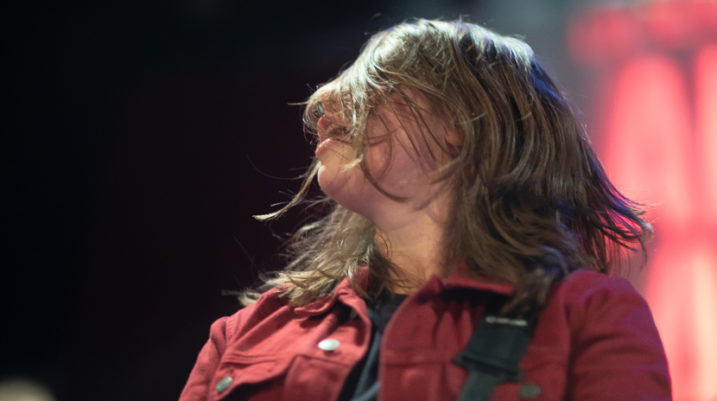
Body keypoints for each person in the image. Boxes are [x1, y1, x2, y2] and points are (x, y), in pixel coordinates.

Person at [179, 19, 671, 401]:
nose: (323, 102)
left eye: (377, 82)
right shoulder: (244, 332)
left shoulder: (587, 318)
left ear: (463, 124)